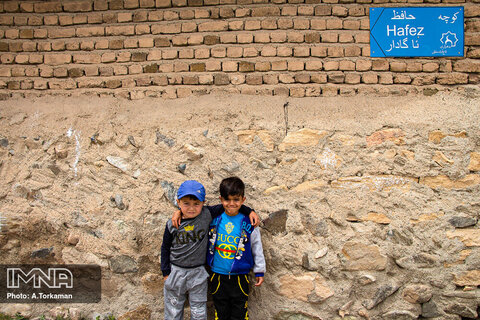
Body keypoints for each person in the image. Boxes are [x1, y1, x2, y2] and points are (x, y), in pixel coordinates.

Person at [161, 180, 258, 320]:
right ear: (178, 202)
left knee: (198, 310)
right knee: (173, 309)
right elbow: (165, 247)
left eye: (196, 204)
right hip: (176, 271)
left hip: (198, 272)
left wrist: (250, 211)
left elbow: (231, 206)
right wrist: (165, 272)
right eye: (186, 203)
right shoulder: (173, 223)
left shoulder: (206, 214)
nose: (191, 208)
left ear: (203, 202)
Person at [207, 176, 266, 320]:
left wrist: (260, 270)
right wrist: (178, 212)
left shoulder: (249, 222)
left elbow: (257, 247)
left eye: (236, 200)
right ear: (221, 200)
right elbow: (196, 211)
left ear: (243, 200)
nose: (231, 204)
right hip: (217, 275)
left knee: (239, 312)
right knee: (220, 312)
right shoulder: (214, 218)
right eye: (227, 200)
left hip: (240, 277)